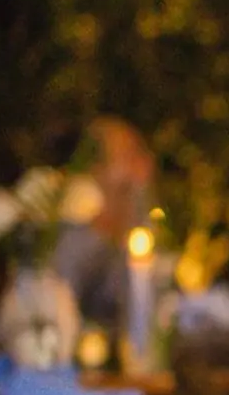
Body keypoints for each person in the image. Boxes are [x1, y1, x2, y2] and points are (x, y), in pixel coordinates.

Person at [53, 117, 157, 326]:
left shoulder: (142, 223)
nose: (141, 165)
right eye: (128, 155)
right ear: (95, 168)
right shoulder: (69, 234)